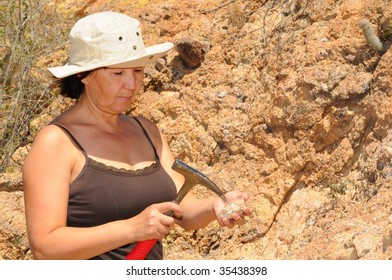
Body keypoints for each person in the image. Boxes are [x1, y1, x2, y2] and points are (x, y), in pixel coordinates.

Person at [23, 11, 251, 260]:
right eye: (118, 74)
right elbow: (45, 248)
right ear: (83, 75)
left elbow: (183, 211)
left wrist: (214, 207)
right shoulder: (56, 143)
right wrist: (131, 229)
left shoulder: (147, 130)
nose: (132, 85)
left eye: (138, 71)